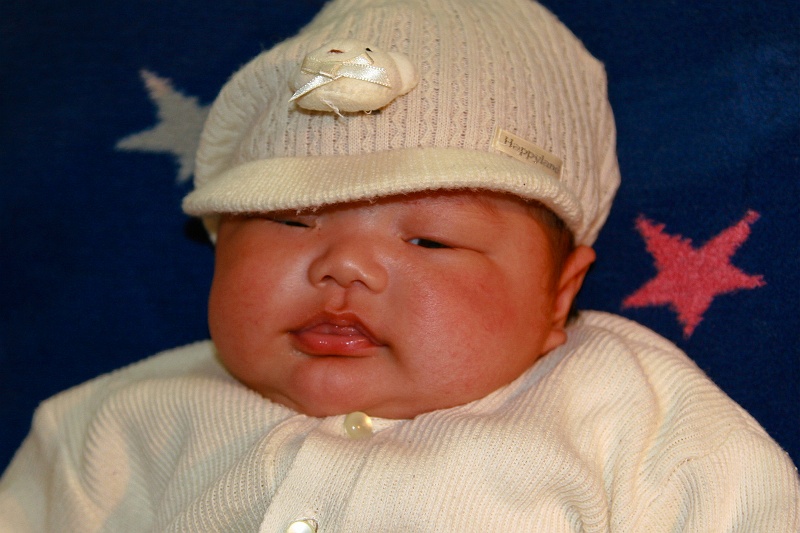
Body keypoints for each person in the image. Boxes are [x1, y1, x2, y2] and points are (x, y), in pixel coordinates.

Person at [1, 0, 798, 530]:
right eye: (290, 219)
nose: (344, 265)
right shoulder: (115, 429)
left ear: (559, 296)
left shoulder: (630, 415)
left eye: (430, 240)